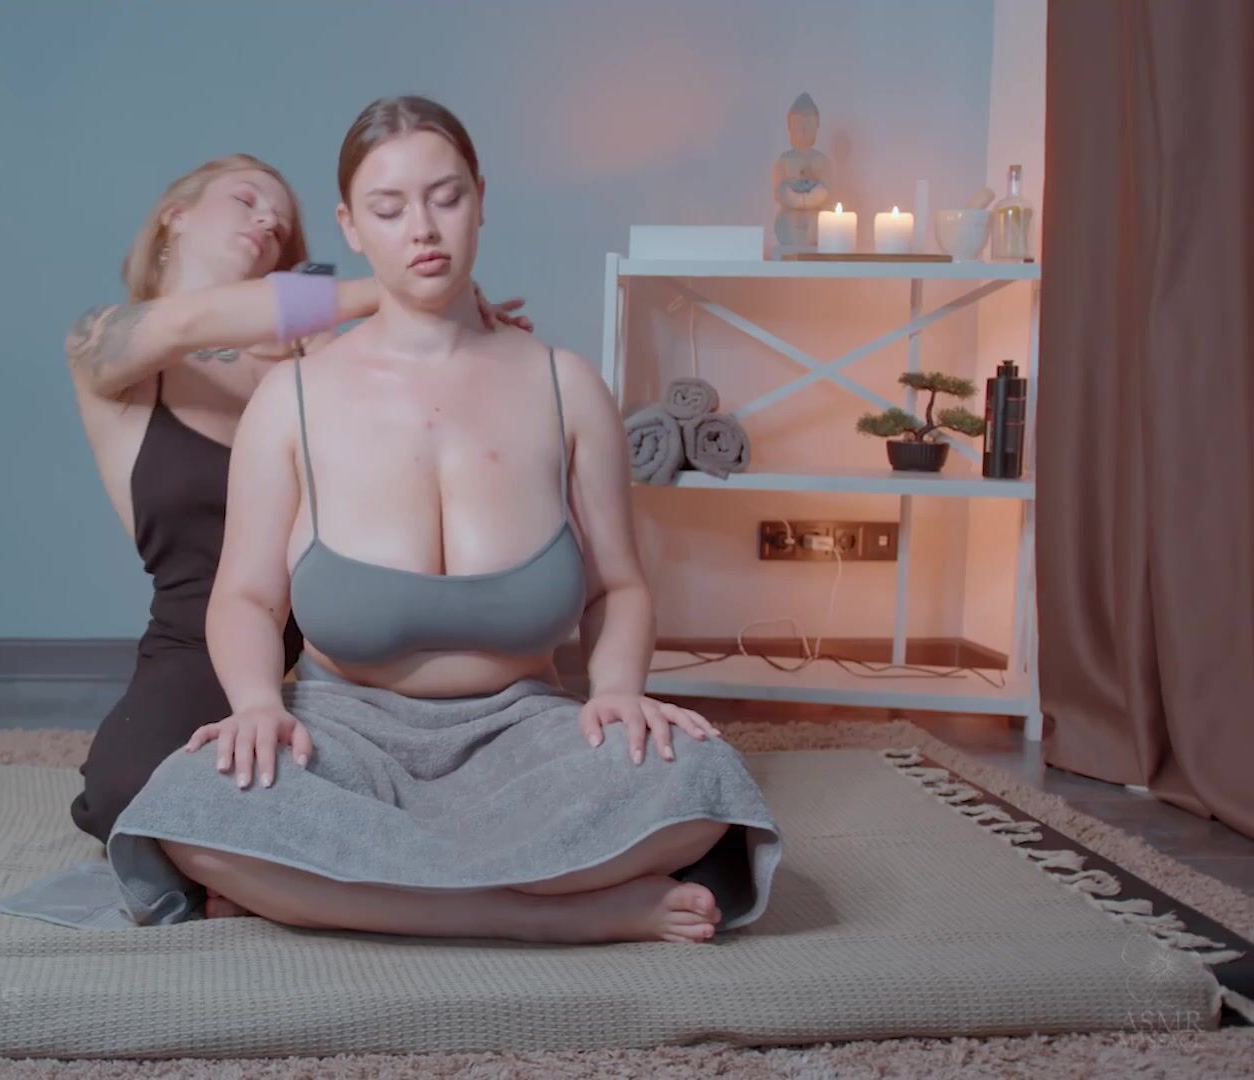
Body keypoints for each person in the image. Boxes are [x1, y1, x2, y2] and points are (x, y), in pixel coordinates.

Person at [98, 98, 782, 944]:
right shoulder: (293, 396)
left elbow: (618, 585)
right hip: (340, 738)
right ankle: (557, 917)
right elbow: (246, 596)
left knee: (701, 779)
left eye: (446, 197)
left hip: (526, 733)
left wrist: (615, 695)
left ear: (481, 200)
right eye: (388, 209)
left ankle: (337, 893)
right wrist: (256, 706)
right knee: (189, 803)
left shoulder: (567, 385)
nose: (422, 228)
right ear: (351, 227)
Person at [63, 154, 529, 844]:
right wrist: (403, 285)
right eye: (247, 200)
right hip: (200, 637)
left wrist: (462, 335)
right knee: (129, 797)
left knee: (482, 793)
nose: (267, 223)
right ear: (175, 215)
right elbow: (186, 324)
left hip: (345, 634)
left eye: (280, 226)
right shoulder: (104, 344)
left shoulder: (316, 357)